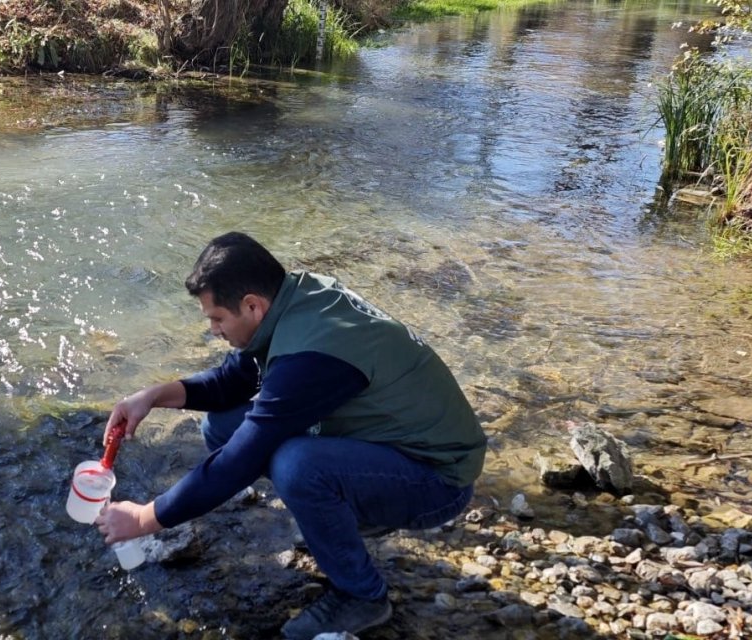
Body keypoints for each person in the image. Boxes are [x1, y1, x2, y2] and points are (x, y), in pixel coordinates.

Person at [94, 231, 486, 638]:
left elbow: (239, 461)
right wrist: (153, 396)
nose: (213, 330)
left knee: (297, 466)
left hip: (439, 479)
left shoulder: (311, 356)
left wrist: (144, 518)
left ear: (251, 305)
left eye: (216, 319)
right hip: (393, 444)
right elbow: (234, 380)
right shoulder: (293, 300)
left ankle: (362, 596)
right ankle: (344, 516)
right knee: (221, 425)